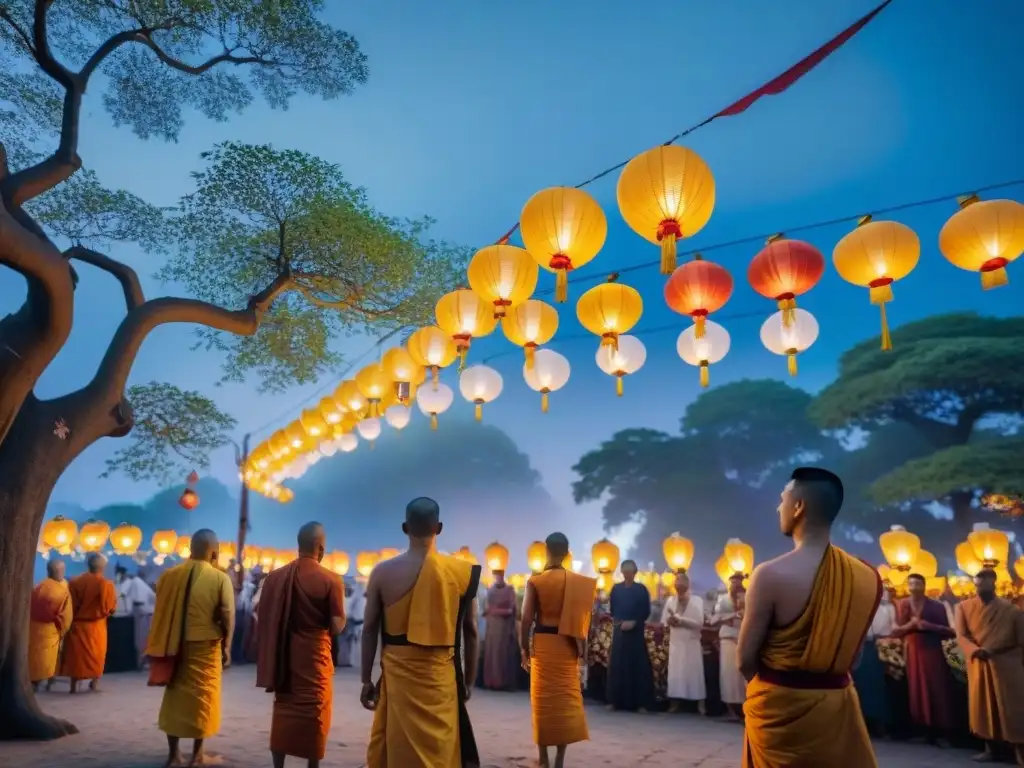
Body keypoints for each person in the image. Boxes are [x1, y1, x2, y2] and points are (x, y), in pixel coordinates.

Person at [738, 467, 881, 768]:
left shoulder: (769, 574)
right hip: (836, 711)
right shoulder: (866, 577)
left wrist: (777, 686)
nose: (779, 507)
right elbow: (852, 659)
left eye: (782, 499)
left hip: (778, 711)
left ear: (798, 506)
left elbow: (744, 660)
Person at [363, 497, 481, 768]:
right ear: (439, 528)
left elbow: (369, 630)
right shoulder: (460, 572)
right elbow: (471, 632)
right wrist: (469, 682)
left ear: (405, 528)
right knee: (440, 752)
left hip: (399, 676)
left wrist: (365, 680)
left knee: (399, 752)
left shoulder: (382, 572)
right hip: (440, 678)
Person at [256, 522, 346, 768]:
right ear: (321, 547)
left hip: (285, 655)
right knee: (315, 710)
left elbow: (262, 613)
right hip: (314, 656)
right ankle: (312, 766)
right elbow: (337, 627)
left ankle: (278, 765)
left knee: (283, 707)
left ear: (299, 545)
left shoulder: (276, 577)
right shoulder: (331, 579)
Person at [148, 529, 235, 768]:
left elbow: (164, 607)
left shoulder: (169, 576)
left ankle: (173, 754)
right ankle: (197, 755)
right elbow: (227, 613)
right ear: (214, 552)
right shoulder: (219, 578)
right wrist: (227, 647)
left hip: (174, 644)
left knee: (175, 698)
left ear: (190, 550)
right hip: (205, 646)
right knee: (203, 698)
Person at [520, 533, 597, 768]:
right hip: (566, 645)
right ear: (567, 552)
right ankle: (559, 761)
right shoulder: (577, 582)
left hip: (543, 645)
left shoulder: (536, 581)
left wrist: (524, 647)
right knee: (564, 702)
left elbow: (525, 619)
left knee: (543, 702)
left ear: (546, 551)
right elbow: (585, 620)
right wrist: (582, 648)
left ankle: (543, 758)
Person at [955, 568, 1024, 764]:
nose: (978, 589)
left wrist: (992, 650)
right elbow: (961, 635)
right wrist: (974, 651)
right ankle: (990, 749)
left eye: (983, 584)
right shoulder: (964, 607)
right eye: (976, 585)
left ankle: (1020, 750)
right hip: (979, 663)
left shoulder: (1012, 610)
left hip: (1007, 665)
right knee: (984, 708)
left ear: (993, 583)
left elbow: (1020, 639)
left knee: (1012, 708)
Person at [893, 572, 957, 746]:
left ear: (924, 586)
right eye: (911, 583)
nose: (914, 587)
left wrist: (928, 626)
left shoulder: (936, 606)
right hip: (912, 650)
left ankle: (943, 730)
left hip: (932, 650)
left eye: (917, 584)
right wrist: (911, 625)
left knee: (937, 688)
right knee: (916, 690)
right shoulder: (902, 604)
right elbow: (896, 630)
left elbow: (950, 631)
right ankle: (923, 728)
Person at [60, 553, 117, 693]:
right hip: (96, 626)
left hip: (77, 625)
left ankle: (73, 687)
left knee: (76, 656)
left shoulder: (74, 582)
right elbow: (110, 608)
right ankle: (95, 683)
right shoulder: (105, 584)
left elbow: (68, 605)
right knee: (96, 655)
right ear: (103, 567)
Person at [606, 559, 654, 712]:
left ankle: (641, 703)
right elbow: (613, 610)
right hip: (620, 633)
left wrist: (635, 622)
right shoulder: (616, 589)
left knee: (637, 667)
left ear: (634, 573)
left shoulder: (641, 589)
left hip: (635, 634)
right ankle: (616, 701)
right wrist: (620, 623)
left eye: (630, 571)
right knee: (618, 666)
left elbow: (646, 611)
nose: (627, 574)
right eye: (624, 571)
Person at [661, 571, 706, 715]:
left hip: (691, 642)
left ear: (687, 585)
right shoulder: (670, 601)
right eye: (677, 584)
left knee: (695, 674)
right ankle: (675, 703)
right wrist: (670, 621)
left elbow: (699, 623)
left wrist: (681, 620)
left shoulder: (697, 600)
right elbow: (664, 621)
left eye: (682, 583)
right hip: (676, 642)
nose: (679, 586)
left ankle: (700, 704)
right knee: (676, 674)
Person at [853, 587, 896, 736]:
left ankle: (880, 723)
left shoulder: (887, 608)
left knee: (879, 685)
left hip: (880, 647)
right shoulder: (858, 607)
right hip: (861, 648)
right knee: (862, 685)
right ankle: (862, 722)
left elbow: (892, 628)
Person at [29, 558, 73, 692]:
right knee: (49, 657)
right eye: (59, 570)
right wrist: (64, 627)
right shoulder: (62, 589)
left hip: (35, 627)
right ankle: (41, 681)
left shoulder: (39, 586)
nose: (61, 572)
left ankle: (37, 681)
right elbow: (66, 614)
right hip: (53, 628)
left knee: (36, 656)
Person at [712, 575, 746, 720]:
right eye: (732, 582)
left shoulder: (748, 597)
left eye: (737, 582)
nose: (735, 585)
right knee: (728, 676)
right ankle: (731, 711)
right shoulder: (722, 599)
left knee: (742, 676)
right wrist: (731, 616)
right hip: (727, 639)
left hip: (742, 638)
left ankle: (745, 710)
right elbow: (715, 618)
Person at [482, 568, 519, 691]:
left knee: (502, 652)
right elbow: (486, 608)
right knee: (494, 652)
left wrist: (497, 611)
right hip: (494, 625)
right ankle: (493, 681)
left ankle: (502, 682)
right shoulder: (490, 590)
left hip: (504, 626)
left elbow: (513, 609)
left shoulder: (509, 590)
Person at [117, 566, 156, 668]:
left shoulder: (132, 582)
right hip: (146, 614)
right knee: (144, 638)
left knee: (140, 639)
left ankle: (141, 662)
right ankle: (144, 661)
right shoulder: (138, 582)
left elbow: (122, 595)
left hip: (141, 613)